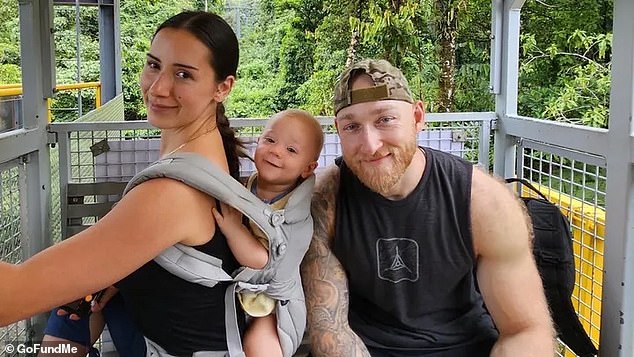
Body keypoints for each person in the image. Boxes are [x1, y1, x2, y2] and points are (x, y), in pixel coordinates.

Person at [0, 10, 248, 356]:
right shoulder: (209, 161)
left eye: (183, 74)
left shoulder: (172, 194)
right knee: (77, 304)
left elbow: (10, 298)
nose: (158, 87)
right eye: (153, 65)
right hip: (179, 333)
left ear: (223, 87)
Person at [300, 59, 556, 357]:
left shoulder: (483, 201)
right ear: (338, 131)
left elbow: (525, 331)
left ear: (417, 117)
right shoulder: (325, 201)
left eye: (385, 120)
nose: (370, 145)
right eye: (352, 126)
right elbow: (331, 333)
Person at [211, 109, 324, 357]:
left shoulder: (293, 216)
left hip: (272, 302)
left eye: (291, 150)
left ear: (308, 169)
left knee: (260, 345)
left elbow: (262, 261)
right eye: (270, 140)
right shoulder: (248, 185)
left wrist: (233, 229)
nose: (275, 151)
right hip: (239, 287)